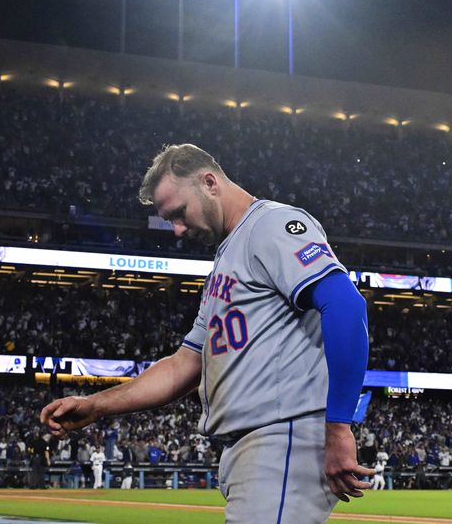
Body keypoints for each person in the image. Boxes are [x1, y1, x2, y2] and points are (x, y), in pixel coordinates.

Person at [41, 143, 373, 523]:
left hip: (283, 438)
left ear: (210, 182)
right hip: (253, 448)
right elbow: (184, 364)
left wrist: (339, 426)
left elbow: (346, 306)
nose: (178, 230)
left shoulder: (270, 225)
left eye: (179, 213)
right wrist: (97, 404)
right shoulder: (225, 261)